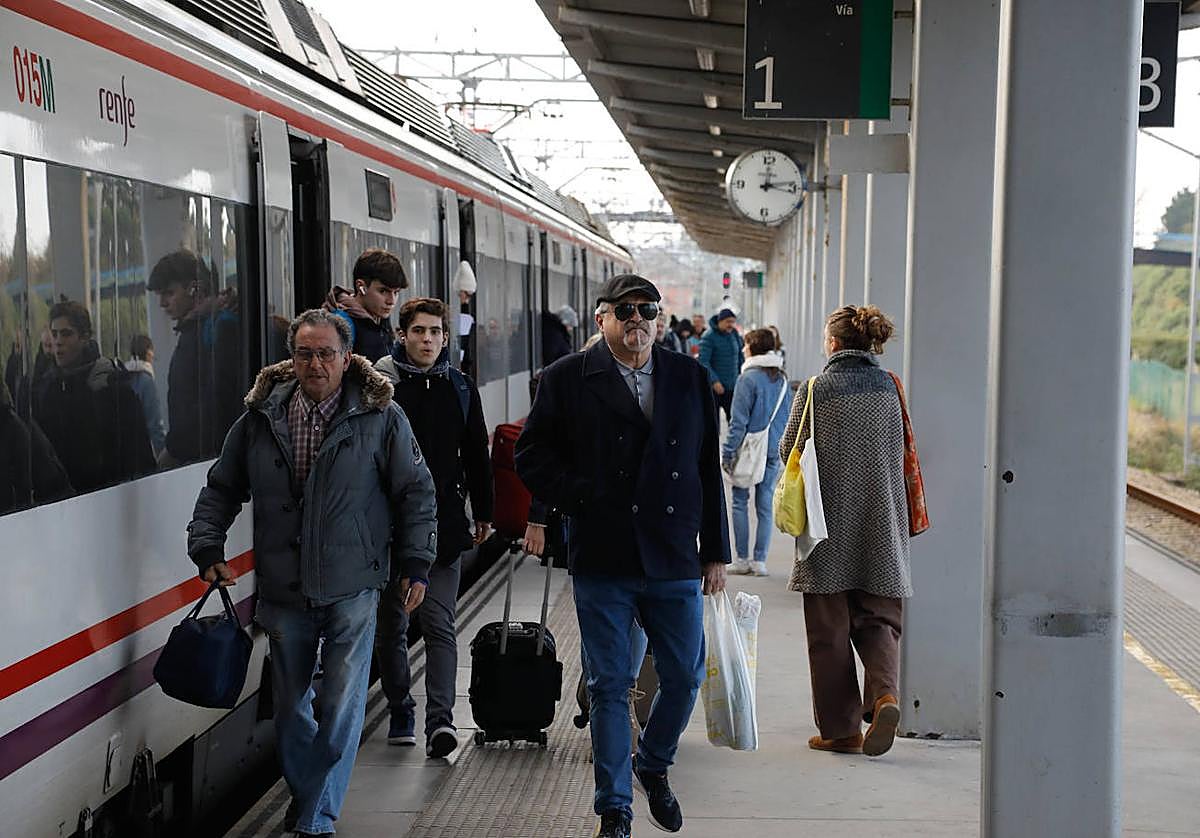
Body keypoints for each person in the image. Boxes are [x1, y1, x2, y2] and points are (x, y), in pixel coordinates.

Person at [186, 309, 437, 837]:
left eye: (326, 353)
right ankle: (313, 798)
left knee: (341, 703)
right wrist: (206, 543)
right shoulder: (260, 417)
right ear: (291, 357)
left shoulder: (380, 415)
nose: (315, 363)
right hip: (284, 586)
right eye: (305, 353)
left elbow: (416, 491)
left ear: (347, 359)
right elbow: (222, 486)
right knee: (293, 709)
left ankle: (316, 817)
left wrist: (415, 563)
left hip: (352, 584)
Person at [515, 273, 729, 838]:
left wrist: (717, 553)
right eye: (625, 310)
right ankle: (615, 807)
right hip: (604, 553)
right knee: (611, 685)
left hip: (675, 552)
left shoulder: (689, 377)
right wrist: (581, 495)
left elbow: (708, 470)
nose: (638, 319)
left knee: (683, 677)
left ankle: (652, 765)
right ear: (601, 318)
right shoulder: (566, 378)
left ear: (659, 320)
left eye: (648, 310)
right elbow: (531, 456)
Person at [778, 304, 913, 759]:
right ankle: (885, 696)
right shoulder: (889, 388)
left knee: (829, 631)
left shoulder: (817, 389)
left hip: (826, 528)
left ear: (833, 343)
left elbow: (788, 448)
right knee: (879, 619)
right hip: (881, 523)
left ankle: (841, 731)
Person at [374, 297, 493, 758]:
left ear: (446, 337)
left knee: (440, 625)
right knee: (392, 628)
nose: (428, 339)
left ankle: (440, 722)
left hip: (441, 528)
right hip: (386, 532)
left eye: (436, 332)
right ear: (402, 335)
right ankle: (401, 704)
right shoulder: (381, 388)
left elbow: (477, 454)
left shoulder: (460, 388)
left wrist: (484, 511)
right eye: (419, 331)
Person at [33, 301, 155, 494]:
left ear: (84, 337)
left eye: (66, 334)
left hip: (106, 499)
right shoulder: (46, 389)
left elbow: (139, 456)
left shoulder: (111, 386)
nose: (58, 341)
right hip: (59, 506)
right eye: (54, 334)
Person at [147, 250, 242, 466]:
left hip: (204, 459)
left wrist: (175, 450)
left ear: (195, 289)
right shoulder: (198, 328)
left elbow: (216, 400)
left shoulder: (215, 329)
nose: (162, 303)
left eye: (169, 293)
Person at [721, 328, 790, 576]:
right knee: (765, 504)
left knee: (740, 502)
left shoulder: (747, 379)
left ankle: (741, 559)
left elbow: (738, 423)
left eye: (746, 344)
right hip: (773, 449)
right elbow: (786, 417)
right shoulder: (781, 378)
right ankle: (760, 561)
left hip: (748, 449)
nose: (742, 349)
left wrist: (727, 453)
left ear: (753, 348)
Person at [324, 249, 404, 363]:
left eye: (396, 292)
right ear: (361, 286)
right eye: (383, 291)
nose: (391, 301)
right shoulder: (341, 323)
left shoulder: (380, 317)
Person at [698, 308, 743, 422]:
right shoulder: (709, 336)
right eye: (728, 321)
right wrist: (714, 381)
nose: (731, 325)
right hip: (715, 388)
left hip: (733, 386)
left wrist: (741, 375)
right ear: (720, 321)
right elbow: (704, 362)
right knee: (713, 423)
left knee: (734, 420)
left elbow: (740, 357)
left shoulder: (734, 334)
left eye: (733, 322)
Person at [126, 334, 165, 456]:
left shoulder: (125, 377)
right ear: (148, 351)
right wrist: (162, 452)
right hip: (144, 449)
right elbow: (154, 422)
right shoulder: (146, 381)